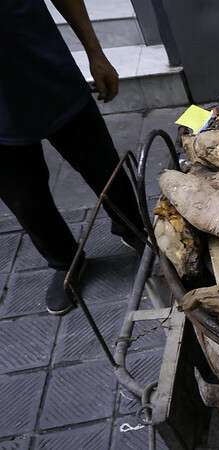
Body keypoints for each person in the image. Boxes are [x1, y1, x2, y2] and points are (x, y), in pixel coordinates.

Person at [0, 0, 145, 315]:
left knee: (103, 164)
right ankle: (65, 261)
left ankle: (132, 228)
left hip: (46, 70)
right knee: (24, 197)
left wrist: (96, 53)